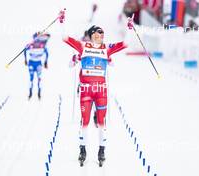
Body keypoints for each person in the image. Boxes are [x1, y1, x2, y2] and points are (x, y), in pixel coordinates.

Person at [59, 9, 133, 166]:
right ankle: (83, 150)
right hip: (86, 91)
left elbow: (125, 43)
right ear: (91, 35)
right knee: (84, 122)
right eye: (97, 35)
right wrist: (62, 21)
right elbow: (65, 38)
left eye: (101, 36)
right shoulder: (83, 46)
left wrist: (130, 28)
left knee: (101, 122)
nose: (99, 38)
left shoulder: (106, 48)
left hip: (101, 92)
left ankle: (101, 150)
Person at [24, 32, 50, 100]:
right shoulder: (30, 45)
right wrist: (25, 60)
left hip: (38, 63)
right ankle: (30, 93)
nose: (37, 41)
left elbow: (47, 53)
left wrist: (45, 62)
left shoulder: (42, 45)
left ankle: (39, 93)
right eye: (35, 39)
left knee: (39, 79)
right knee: (31, 79)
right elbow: (25, 50)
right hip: (31, 63)